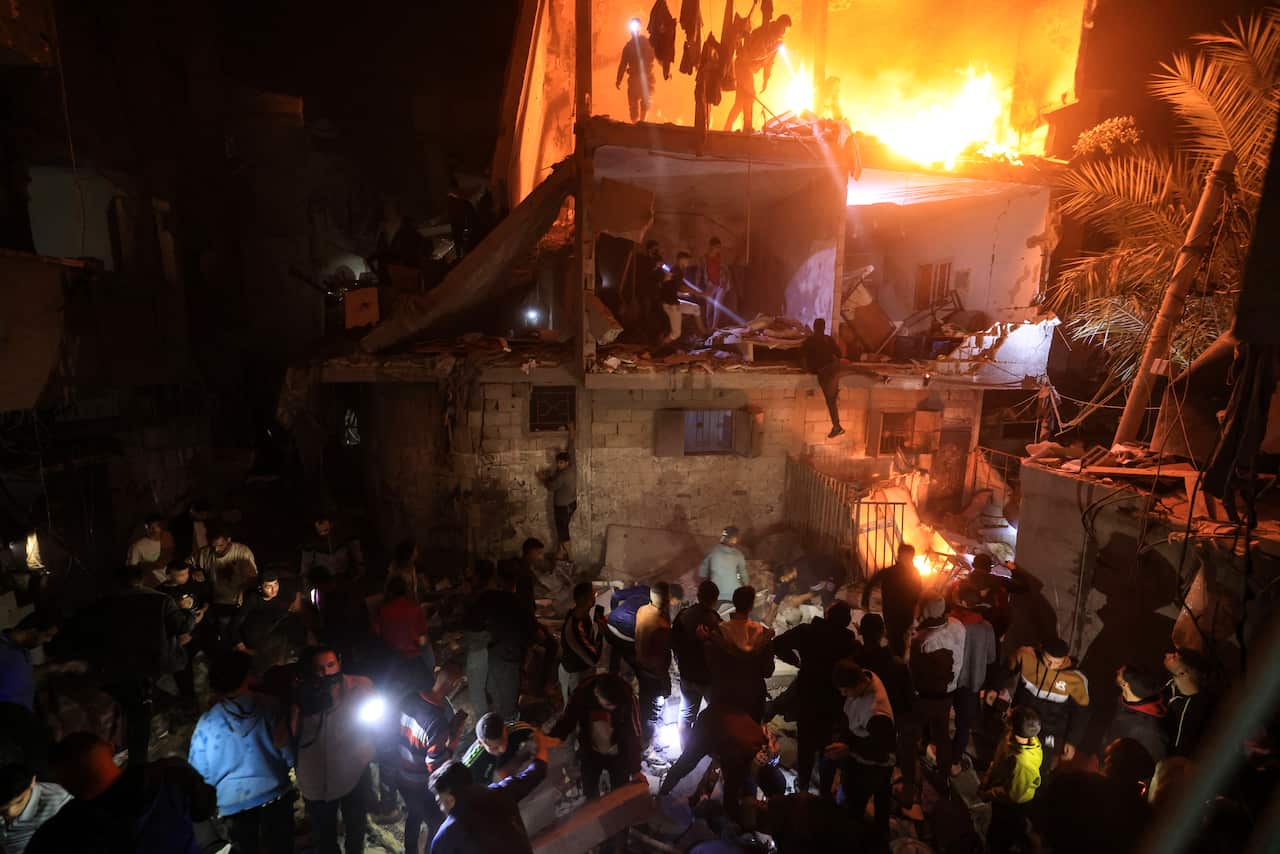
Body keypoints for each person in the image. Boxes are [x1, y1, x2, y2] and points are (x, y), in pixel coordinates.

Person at [27, 732, 217, 854]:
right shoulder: (171, 774)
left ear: (62, 784)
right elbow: (203, 809)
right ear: (110, 748)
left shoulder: (53, 838)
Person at [187, 650, 294, 853]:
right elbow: (288, 752)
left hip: (233, 808)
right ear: (248, 676)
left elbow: (198, 775)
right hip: (276, 797)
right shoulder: (270, 706)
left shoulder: (206, 724)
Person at [87, 563, 194, 766]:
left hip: (116, 665)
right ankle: (139, 760)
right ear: (141, 580)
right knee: (142, 712)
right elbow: (182, 626)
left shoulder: (102, 604)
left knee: (130, 707)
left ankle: (128, 749)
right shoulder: (161, 600)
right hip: (151, 664)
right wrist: (186, 610)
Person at [291, 645, 378, 854]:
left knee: (356, 831)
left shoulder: (360, 686)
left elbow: (377, 722)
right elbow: (285, 738)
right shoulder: (302, 696)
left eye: (331, 665)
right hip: (316, 783)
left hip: (353, 773)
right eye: (320, 668)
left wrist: (369, 749)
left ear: (339, 663)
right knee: (325, 840)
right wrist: (296, 704)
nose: (327, 672)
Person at [774, 600, 860, 794]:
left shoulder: (807, 631)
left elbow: (777, 644)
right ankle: (824, 793)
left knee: (806, 746)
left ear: (827, 615)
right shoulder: (848, 643)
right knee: (828, 748)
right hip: (833, 702)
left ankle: (803, 790)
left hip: (808, 696)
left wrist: (795, 661)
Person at [395, 662, 467, 854]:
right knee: (437, 824)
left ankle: (410, 851)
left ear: (437, 675)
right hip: (418, 783)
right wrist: (452, 742)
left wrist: (444, 734)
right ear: (455, 685)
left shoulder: (409, 698)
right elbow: (435, 767)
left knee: (414, 815)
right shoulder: (438, 722)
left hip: (401, 774)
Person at [427, 743, 549, 854]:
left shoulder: (445, 839)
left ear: (450, 800)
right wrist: (541, 741)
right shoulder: (502, 792)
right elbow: (538, 771)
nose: (441, 807)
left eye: (439, 802)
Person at [824, 659, 895, 841]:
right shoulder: (866, 675)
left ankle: (857, 838)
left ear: (857, 684)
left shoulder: (876, 713)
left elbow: (882, 751)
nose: (843, 694)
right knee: (882, 798)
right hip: (867, 752)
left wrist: (849, 749)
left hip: (874, 765)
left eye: (846, 691)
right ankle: (880, 832)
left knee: (856, 802)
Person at [658, 705, 766, 822]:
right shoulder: (739, 763)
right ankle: (661, 795)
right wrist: (693, 799)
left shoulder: (742, 758)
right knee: (686, 764)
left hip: (725, 728)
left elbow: (717, 774)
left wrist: (695, 799)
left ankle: (664, 794)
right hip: (713, 727)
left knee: (693, 765)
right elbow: (727, 794)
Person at [549, 672, 643, 800]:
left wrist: (636, 769)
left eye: (616, 706)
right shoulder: (582, 693)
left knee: (620, 790)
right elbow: (568, 719)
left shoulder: (627, 696)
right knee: (590, 788)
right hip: (590, 749)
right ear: (596, 693)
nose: (613, 708)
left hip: (618, 751)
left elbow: (634, 734)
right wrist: (553, 738)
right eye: (608, 705)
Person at [1005, 637, 1090, 771]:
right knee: (1009, 758)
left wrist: (1072, 741)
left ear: (1065, 658)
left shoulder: (1076, 679)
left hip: (1050, 732)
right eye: (1048, 660)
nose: (1051, 666)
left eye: (1057, 663)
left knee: (1041, 767)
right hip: (1021, 723)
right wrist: (994, 688)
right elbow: (1006, 669)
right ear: (1041, 651)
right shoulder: (1026, 656)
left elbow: (1081, 713)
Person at [909, 596, 966, 781]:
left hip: (926, 695)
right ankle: (943, 772)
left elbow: (915, 671)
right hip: (949, 690)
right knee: (942, 733)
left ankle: (913, 773)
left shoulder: (922, 638)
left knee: (913, 730)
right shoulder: (958, 625)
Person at [979, 705, 1042, 854]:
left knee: (1000, 835)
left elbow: (1012, 795)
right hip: (1001, 791)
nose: (1007, 712)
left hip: (1011, 805)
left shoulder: (1023, 764)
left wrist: (988, 794)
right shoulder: (1016, 736)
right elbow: (999, 761)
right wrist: (988, 778)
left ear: (1012, 725)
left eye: (1010, 714)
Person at [707, 586, 774, 723]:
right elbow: (768, 671)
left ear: (734, 603)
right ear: (751, 606)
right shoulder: (763, 633)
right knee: (752, 729)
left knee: (728, 729)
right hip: (754, 693)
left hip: (727, 692)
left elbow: (713, 666)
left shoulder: (719, 632)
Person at [951, 585, 997, 775]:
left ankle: (929, 747)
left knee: (938, 717)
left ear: (962, 602)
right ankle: (954, 762)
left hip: (949, 679)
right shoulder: (986, 628)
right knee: (963, 725)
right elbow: (991, 657)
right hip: (971, 682)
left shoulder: (951, 622)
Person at [671, 580, 723, 745]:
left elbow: (674, 642)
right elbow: (722, 648)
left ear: (698, 596)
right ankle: (715, 750)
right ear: (715, 599)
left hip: (687, 675)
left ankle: (685, 749)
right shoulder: (714, 620)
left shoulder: (683, 615)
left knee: (686, 715)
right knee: (718, 714)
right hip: (708, 678)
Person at [485, 568, 539, 723]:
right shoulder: (520, 604)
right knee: (508, 697)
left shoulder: (492, 600)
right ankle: (508, 724)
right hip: (510, 656)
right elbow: (531, 633)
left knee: (497, 691)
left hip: (494, 653)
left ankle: (499, 721)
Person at [723, 14, 791, 133]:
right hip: (743, 64)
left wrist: (766, 79)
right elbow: (754, 50)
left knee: (739, 102)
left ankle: (727, 129)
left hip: (747, 67)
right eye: (784, 28)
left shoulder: (776, 42)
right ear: (779, 24)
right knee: (750, 95)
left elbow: (769, 62)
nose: (784, 32)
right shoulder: (763, 31)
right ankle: (747, 127)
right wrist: (770, 45)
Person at [192, 524, 258, 645]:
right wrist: (195, 571)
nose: (216, 550)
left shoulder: (242, 552)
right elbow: (188, 564)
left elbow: (253, 578)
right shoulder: (204, 553)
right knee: (222, 633)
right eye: (213, 546)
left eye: (220, 545)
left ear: (228, 540)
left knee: (240, 632)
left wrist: (242, 590)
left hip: (238, 602)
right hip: (217, 601)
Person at [0, 743, 70, 854]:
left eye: (19, 801)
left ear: (33, 780)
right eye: (2, 810)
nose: (10, 812)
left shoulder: (63, 806)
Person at [861, 543, 924, 656]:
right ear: (901, 556)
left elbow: (918, 595)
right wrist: (865, 602)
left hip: (901, 614)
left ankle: (895, 658)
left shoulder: (912, 573)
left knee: (898, 639)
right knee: (897, 639)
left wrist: (865, 602)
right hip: (895, 613)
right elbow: (871, 584)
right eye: (907, 556)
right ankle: (895, 659)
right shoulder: (894, 572)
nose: (909, 559)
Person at [634, 581, 676, 743]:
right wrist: (665, 683)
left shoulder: (642, 610)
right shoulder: (661, 626)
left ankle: (642, 732)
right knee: (653, 709)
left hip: (640, 666)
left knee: (645, 704)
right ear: (666, 600)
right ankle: (646, 742)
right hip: (654, 674)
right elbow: (660, 658)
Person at [227, 566, 298, 661]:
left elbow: (297, 588)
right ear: (260, 588)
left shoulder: (282, 592)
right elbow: (235, 623)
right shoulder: (253, 599)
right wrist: (240, 645)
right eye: (268, 587)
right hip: (253, 637)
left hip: (272, 633)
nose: (274, 589)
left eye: (276, 584)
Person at [377, 574, 434, 687]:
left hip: (392, 660)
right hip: (413, 659)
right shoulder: (414, 608)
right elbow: (422, 639)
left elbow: (380, 635)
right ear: (406, 590)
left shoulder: (383, 610)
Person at [1105, 665, 1168, 764]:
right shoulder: (1124, 700)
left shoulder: (1149, 730)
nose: (1117, 671)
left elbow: (1152, 762)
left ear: (1125, 684)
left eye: (1120, 672)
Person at [800, 318, 849, 438]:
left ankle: (837, 427)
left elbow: (803, 358)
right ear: (824, 327)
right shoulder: (828, 339)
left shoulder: (809, 341)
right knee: (832, 399)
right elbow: (839, 354)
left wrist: (807, 373)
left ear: (814, 327)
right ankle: (836, 427)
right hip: (833, 370)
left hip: (824, 373)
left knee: (831, 401)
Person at [1163, 647, 1214, 757]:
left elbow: (1179, 751)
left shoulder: (1193, 711)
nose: (1167, 654)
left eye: (1174, 656)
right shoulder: (1171, 683)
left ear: (1183, 673)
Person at [461, 712, 538, 785]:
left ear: (505, 728)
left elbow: (540, 739)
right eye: (495, 748)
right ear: (481, 744)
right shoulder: (471, 766)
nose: (502, 749)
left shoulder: (522, 730)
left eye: (504, 741)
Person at [560, 581, 605, 705]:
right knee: (574, 708)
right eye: (593, 594)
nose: (596, 596)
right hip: (575, 675)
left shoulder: (582, 614)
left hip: (582, 672)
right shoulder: (575, 628)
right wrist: (600, 634)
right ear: (586, 599)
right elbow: (593, 659)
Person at [0, 615, 58, 710]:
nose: (48, 640)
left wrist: (52, 667)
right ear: (32, 630)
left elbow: (23, 675)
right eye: (47, 635)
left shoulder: (24, 650)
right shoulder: (3, 650)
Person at [538, 427, 577, 561]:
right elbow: (571, 450)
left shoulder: (563, 475)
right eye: (558, 463)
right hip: (571, 504)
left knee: (563, 533)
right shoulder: (572, 466)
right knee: (562, 531)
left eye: (561, 463)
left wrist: (543, 478)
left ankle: (570, 558)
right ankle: (560, 554)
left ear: (566, 463)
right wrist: (571, 437)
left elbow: (551, 487)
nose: (559, 465)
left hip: (563, 508)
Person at [615, 18, 656, 123]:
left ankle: (642, 122)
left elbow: (654, 55)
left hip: (646, 77)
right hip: (634, 78)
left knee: (645, 101)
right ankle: (635, 124)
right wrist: (618, 79)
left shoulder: (646, 43)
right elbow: (623, 64)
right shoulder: (628, 47)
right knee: (633, 103)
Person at [300, 514, 365, 580]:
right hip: (323, 577)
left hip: (343, 573)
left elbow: (355, 549)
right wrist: (305, 576)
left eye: (325, 530)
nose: (323, 534)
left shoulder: (342, 535)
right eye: (320, 531)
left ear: (331, 525)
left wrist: (359, 565)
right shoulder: (312, 542)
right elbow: (306, 560)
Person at [698, 526, 746, 613]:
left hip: (716, 597)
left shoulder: (712, 551)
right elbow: (745, 579)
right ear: (734, 539)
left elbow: (702, 573)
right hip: (734, 597)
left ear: (723, 537)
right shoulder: (739, 555)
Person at [605, 583, 650, 675]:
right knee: (633, 653)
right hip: (628, 635)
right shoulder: (659, 606)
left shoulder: (643, 589)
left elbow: (616, 595)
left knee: (617, 645)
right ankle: (633, 674)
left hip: (611, 624)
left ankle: (612, 674)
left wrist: (614, 611)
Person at [697, 237, 736, 329]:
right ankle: (709, 326)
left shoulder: (720, 257)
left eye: (719, 247)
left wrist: (727, 282)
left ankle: (714, 327)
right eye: (717, 247)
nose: (719, 249)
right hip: (710, 284)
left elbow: (727, 270)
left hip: (721, 283)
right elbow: (699, 272)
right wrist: (697, 286)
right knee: (709, 306)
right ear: (711, 246)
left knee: (717, 305)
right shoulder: (704, 258)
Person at [126, 515, 175, 585]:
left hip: (171, 580)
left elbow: (170, 559)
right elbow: (132, 570)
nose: (154, 530)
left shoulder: (167, 539)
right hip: (152, 584)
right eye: (150, 527)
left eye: (157, 526)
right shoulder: (138, 546)